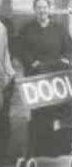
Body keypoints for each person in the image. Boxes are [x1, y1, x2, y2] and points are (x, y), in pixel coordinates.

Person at [18, 0, 72, 157]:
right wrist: (32, 62)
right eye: (38, 7)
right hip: (37, 79)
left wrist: (66, 59)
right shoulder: (27, 29)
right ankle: (39, 150)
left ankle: (59, 150)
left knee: (59, 112)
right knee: (39, 114)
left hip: (57, 78)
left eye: (44, 7)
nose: (42, 10)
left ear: (49, 9)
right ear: (34, 9)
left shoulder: (59, 28)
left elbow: (69, 47)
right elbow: (21, 49)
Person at [0, 21, 15, 164]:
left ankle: (3, 155)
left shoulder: (1, 27)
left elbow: (4, 54)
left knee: (3, 119)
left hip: (2, 79)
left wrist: (8, 76)